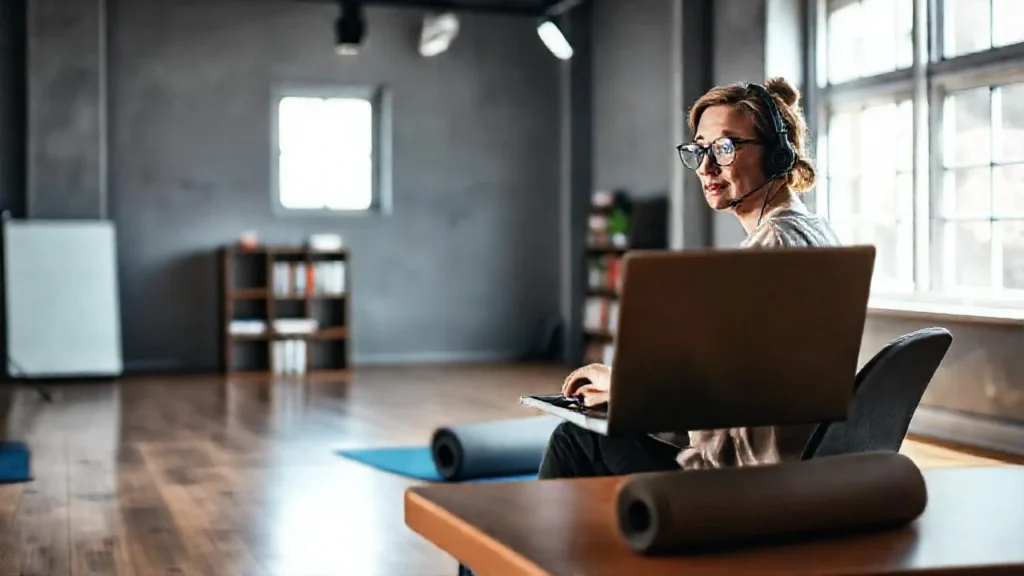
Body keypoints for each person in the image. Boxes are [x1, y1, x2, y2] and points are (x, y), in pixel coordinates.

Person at [538, 76, 842, 480]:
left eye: (724, 148)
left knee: (575, 438)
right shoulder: (814, 233)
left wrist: (625, 393)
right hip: (797, 463)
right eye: (699, 150)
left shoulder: (770, 250)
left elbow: (719, 403)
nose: (706, 167)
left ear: (777, 156)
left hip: (747, 478)